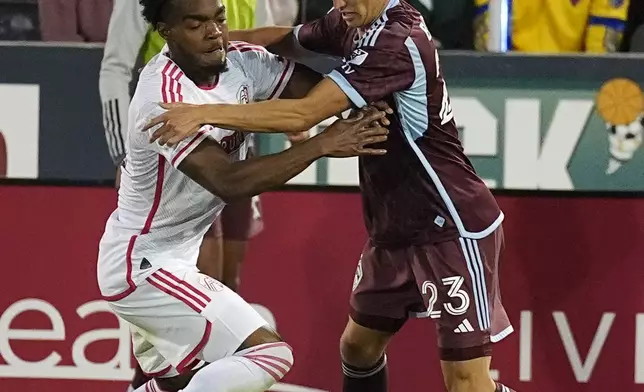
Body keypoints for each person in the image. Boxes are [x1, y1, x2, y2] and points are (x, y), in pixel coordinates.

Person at [143, 0, 516, 391]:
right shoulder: (354, 16)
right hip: (394, 228)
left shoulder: (395, 41)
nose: (341, 3)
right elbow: (285, 39)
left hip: (448, 225)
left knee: (466, 382)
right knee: (358, 348)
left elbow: (304, 113)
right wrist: (218, 43)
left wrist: (202, 112)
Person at [97, 0, 389, 391]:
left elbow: (318, 96)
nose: (214, 32)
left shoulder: (243, 62)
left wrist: (361, 106)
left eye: (218, 19)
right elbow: (229, 181)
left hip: (171, 259)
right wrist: (320, 145)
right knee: (268, 354)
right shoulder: (162, 99)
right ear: (165, 32)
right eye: (196, 24)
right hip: (144, 268)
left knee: (176, 383)